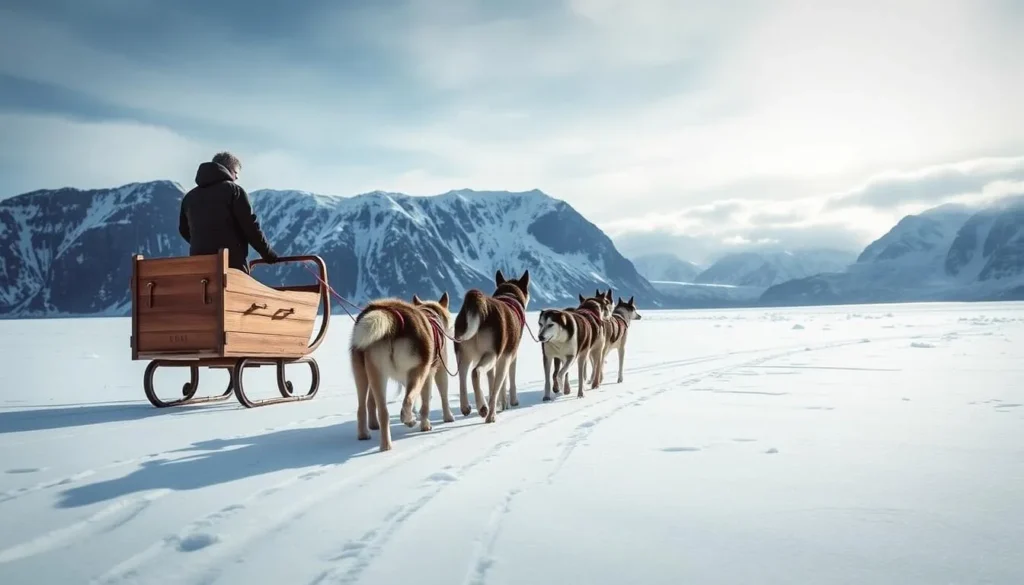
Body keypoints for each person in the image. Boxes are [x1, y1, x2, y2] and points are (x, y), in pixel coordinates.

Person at [178, 151, 279, 272]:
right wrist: (268, 254)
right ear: (228, 169)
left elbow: (183, 230)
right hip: (231, 264)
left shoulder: (189, 197)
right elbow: (250, 227)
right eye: (236, 173)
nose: (236, 178)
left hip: (200, 265)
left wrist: (203, 243)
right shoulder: (234, 191)